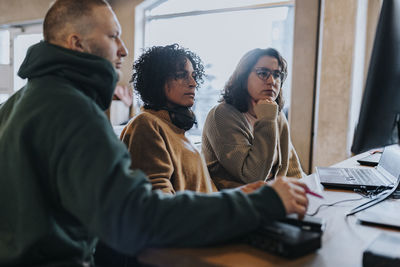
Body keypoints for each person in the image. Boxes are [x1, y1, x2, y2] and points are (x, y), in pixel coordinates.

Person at [0, 1, 309, 266]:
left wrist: (235, 197)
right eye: (114, 36)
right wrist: (261, 205)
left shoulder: (20, 103)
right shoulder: (73, 110)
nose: (123, 49)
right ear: (76, 43)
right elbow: (136, 217)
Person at [119, 44, 217, 194]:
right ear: (157, 80)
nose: (193, 83)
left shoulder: (176, 129)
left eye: (193, 76)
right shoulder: (146, 124)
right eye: (182, 75)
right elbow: (157, 197)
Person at [202, 48, 304, 190]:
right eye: (263, 73)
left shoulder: (277, 115)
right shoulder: (222, 115)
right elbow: (252, 176)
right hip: (236, 202)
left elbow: (292, 169)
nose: (272, 81)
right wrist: (267, 120)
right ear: (243, 78)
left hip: (272, 197)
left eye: (277, 75)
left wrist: (308, 192)